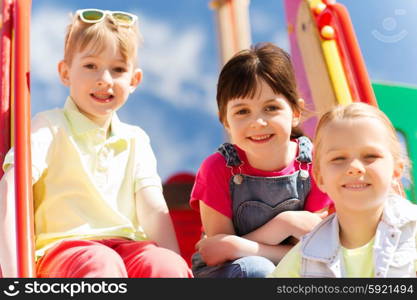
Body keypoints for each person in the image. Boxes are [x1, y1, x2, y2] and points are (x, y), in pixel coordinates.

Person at [0, 8, 192, 278]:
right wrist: (15, 276)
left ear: (134, 80)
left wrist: (175, 263)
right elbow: (12, 188)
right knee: (100, 263)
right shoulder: (49, 126)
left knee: (163, 265)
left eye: (118, 69)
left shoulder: (135, 139)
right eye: (91, 66)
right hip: (66, 252)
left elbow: (153, 211)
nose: (105, 79)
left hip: (128, 248)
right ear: (65, 72)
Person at [189, 42, 333, 278]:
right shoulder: (218, 169)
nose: (258, 122)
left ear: (296, 112)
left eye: (271, 108)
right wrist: (286, 225)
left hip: (297, 268)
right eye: (242, 111)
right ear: (225, 120)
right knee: (259, 269)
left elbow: (313, 249)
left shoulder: (314, 163)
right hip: (232, 273)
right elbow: (216, 254)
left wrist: (240, 245)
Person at [269, 102, 417, 278]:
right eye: (339, 158)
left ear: (396, 170)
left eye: (370, 156)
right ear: (320, 177)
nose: (354, 167)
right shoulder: (305, 257)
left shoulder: (412, 234)